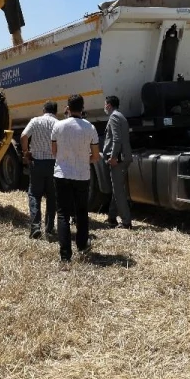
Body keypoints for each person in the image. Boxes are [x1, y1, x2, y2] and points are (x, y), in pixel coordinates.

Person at [50, 93, 100, 265]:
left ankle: (65, 255)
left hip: (62, 173)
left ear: (67, 108)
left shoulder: (58, 126)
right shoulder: (90, 128)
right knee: (81, 211)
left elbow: (54, 152)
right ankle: (82, 245)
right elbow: (95, 156)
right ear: (83, 108)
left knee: (63, 213)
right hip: (82, 174)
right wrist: (85, 160)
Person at [21, 101, 59, 239]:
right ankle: (49, 228)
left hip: (37, 163)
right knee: (52, 197)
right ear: (56, 111)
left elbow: (23, 136)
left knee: (34, 195)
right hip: (54, 165)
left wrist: (26, 153)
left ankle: (35, 227)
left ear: (43, 110)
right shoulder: (59, 124)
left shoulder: (35, 121)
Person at [102, 95, 133, 229]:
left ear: (108, 105)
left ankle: (126, 222)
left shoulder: (114, 117)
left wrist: (114, 157)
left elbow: (117, 139)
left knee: (119, 190)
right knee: (117, 189)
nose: (104, 107)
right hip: (124, 157)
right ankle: (112, 217)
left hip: (118, 159)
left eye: (105, 104)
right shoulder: (121, 116)